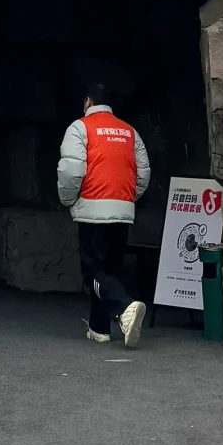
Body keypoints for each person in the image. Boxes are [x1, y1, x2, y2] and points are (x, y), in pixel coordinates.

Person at [57, 85, 152, 348]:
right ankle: (99, 329)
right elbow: (143, 173)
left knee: (93, 272)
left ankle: (125, 307)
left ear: (88, 102)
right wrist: (127, 198)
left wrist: (69, 200)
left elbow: (71, 171)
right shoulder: (129, 131)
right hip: (122, 209)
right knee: (109, 271)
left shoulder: (80, 128)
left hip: (93, 209)